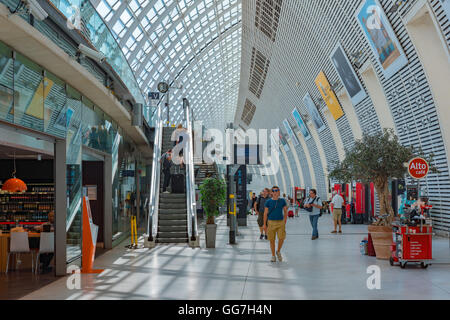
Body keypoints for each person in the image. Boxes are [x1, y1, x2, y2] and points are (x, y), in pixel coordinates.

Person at [263, 186, 288, 262]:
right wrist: (264, 224)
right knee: (272, 240)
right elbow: (265, 213)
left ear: (279, 192)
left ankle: (278, 251)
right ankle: (273, 255)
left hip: (280, 222)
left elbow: (285, 211)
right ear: (271, 193)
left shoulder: (282, 201)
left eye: (276, 190)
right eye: (273, 191)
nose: (275, 192)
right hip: (271, 222)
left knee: (281, 238)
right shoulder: (268, 202)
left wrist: (285, 221)